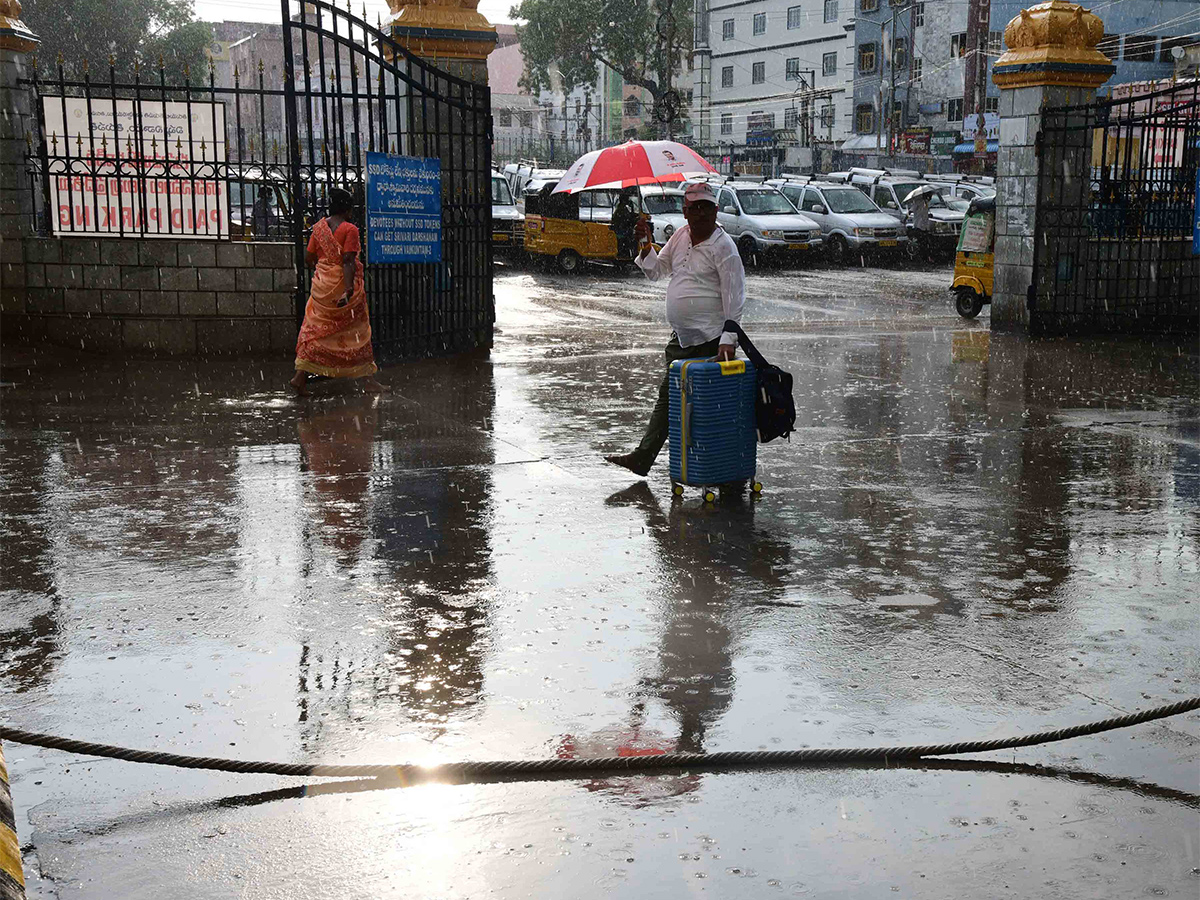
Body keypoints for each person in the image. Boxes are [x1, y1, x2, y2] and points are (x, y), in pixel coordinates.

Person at [605, 182, 746, 477]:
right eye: (695, 209)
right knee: (670, 400)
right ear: (685, 213)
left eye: (707, 208)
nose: (701, 214)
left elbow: (735, 297)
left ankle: (718, 466)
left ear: (715, 211)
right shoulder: (681, 236)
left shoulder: (724, 248)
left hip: (710, 339)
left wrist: (728, 340)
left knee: (706, 408)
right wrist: (645, 244)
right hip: (681, 338)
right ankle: (646, 458)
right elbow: (657, 270)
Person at [289, 188, 383, 396]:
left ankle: (300, 377)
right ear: (348, 210)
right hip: (343, 284)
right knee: (357, 331)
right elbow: (348, 261)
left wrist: (324, 266)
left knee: (315, 331)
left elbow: (309, 258)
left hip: (322, 285)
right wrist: (348, 290)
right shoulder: (350, 229)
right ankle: (368, 379)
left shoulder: (319, 228)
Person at [610, 188, 640, 260]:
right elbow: (627, 219)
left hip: (622, 228)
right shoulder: (621, 209)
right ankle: (628, 254)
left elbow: (630, 216)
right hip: (621, 230)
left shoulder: (623, 208)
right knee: (632, 237)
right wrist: (634, 219)